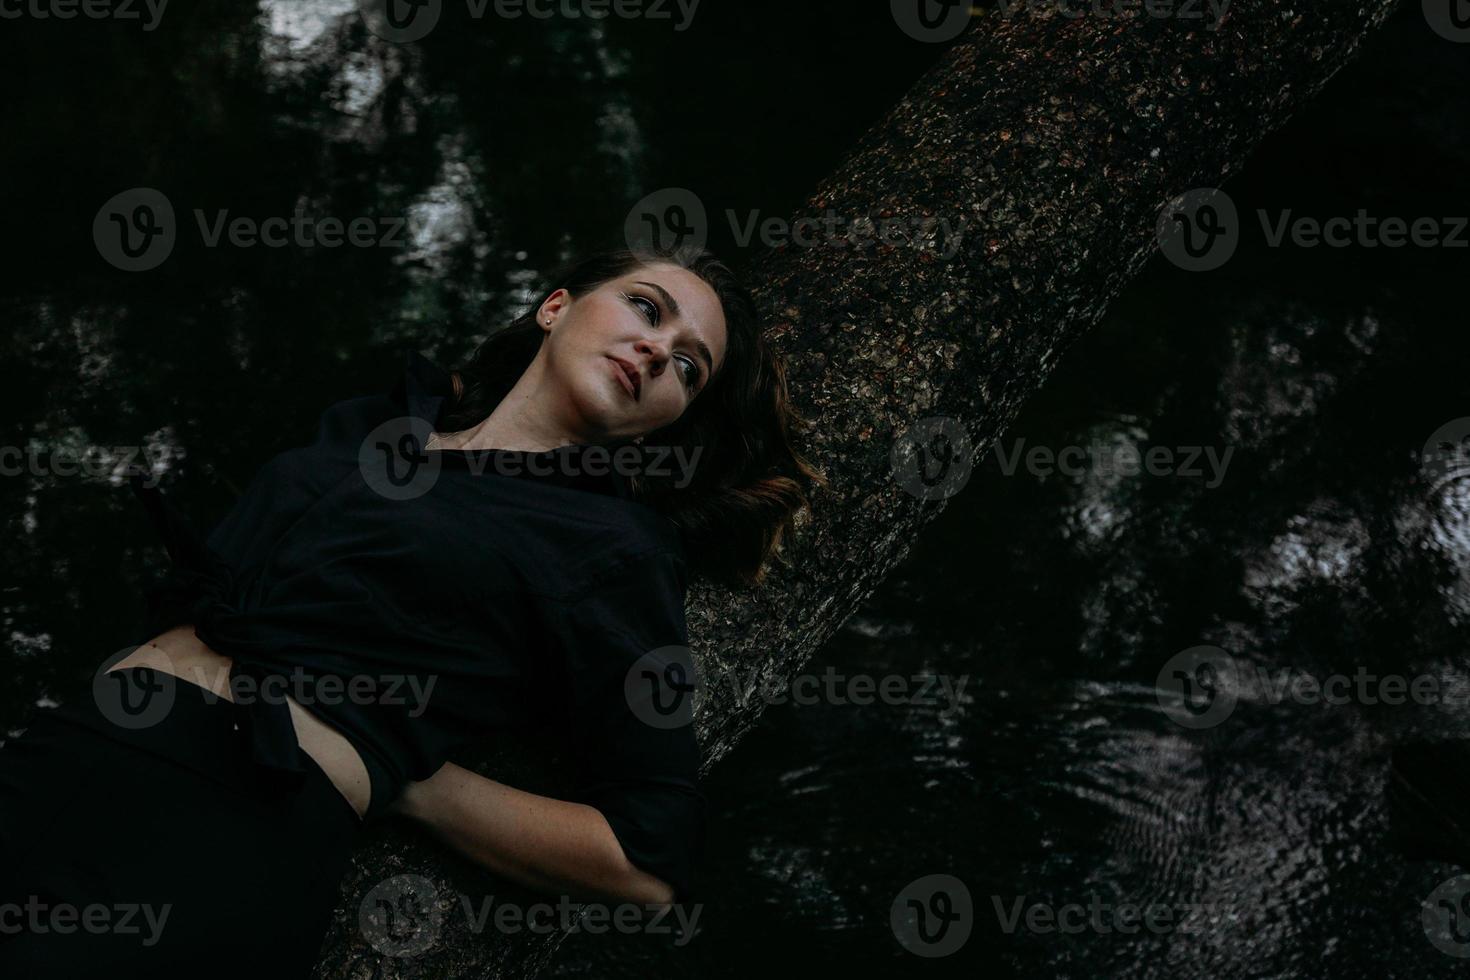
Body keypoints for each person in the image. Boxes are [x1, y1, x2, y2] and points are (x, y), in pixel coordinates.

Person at [0, 244, 821, 978]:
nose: (656, 349)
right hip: (70, 749)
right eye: (646, 308)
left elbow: (647, 858)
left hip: (234, 820)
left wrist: (411, 784)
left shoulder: (613, 547)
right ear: (556, 305)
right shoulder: (376, 427)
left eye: (688, 366)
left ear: (668, 419)